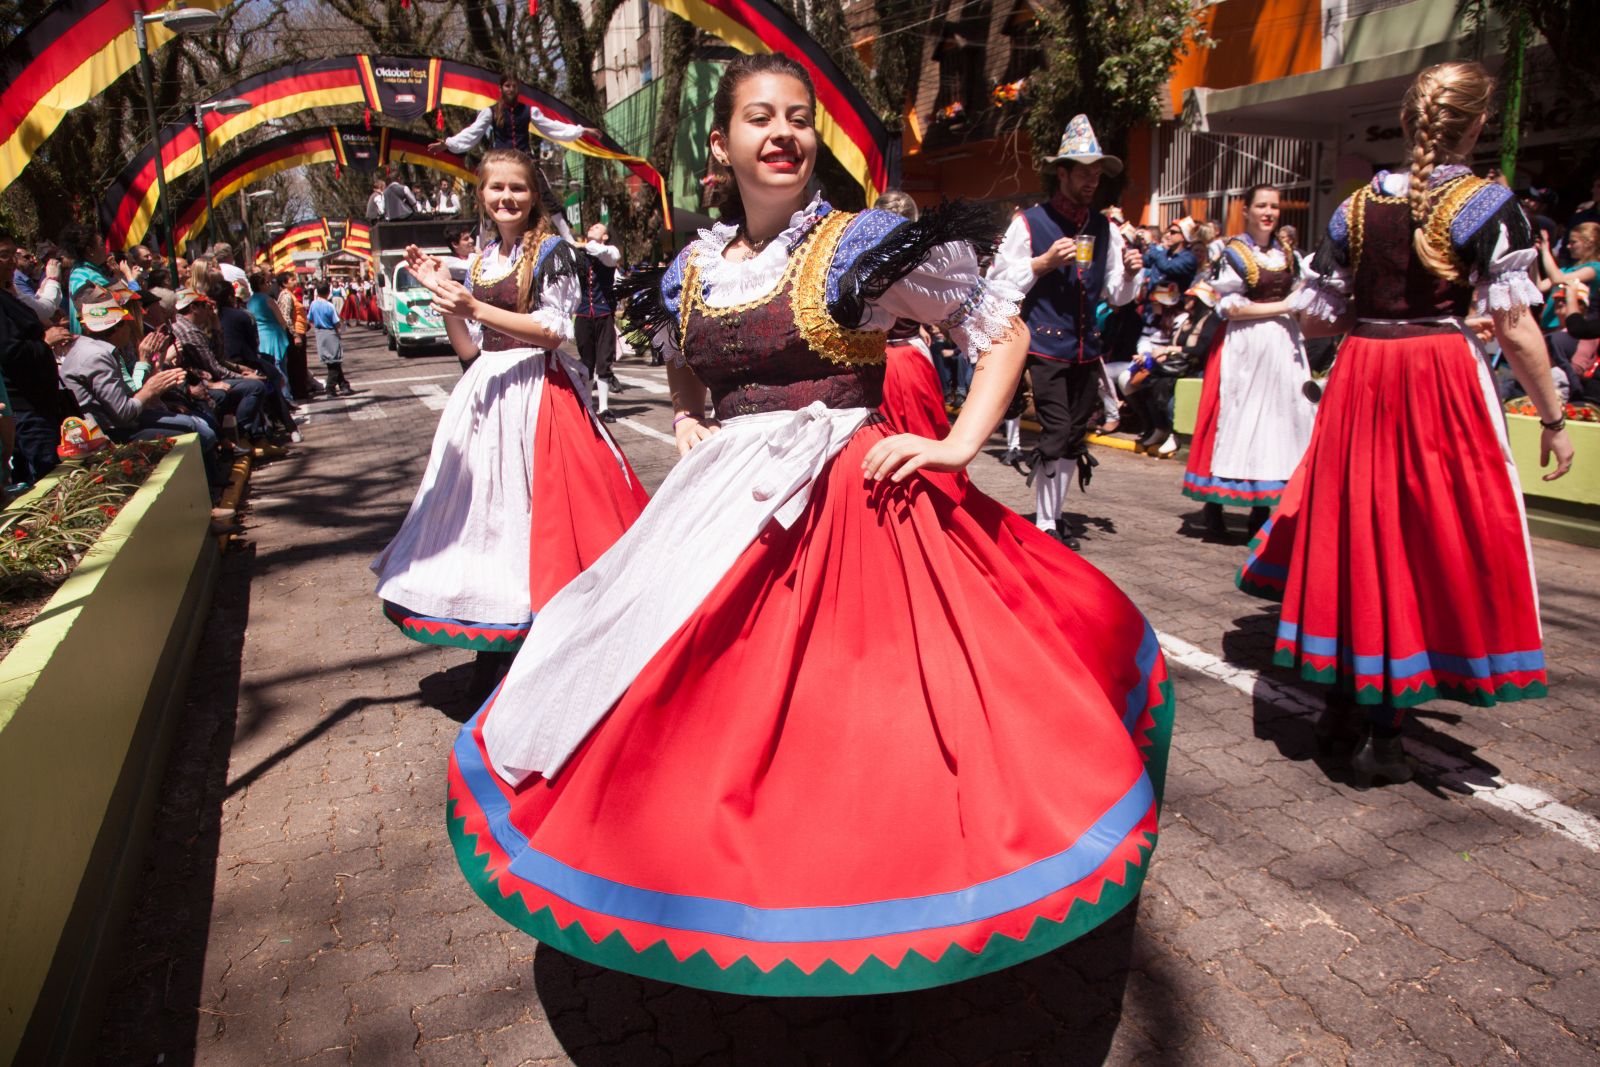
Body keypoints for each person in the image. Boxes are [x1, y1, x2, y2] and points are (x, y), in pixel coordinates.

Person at [444, 53, 1173, 998]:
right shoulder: (695, 268)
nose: (782, 132)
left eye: (797, 117)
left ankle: (873, 933)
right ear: (722, 144)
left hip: (849, 507)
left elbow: (1002, 329)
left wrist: (956, 445)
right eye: (759, 117)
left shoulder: (857, 242)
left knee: (865, 728)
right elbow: (682, 360)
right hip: (724, 511)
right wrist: (687, 417)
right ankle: (717, 896)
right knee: (687, 700)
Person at [1237, 61, 1575, 786]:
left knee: (1361, 532)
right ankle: (1385, 730)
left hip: (1365, 371)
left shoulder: (1354, 207)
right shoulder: (1488, 204)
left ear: (1410, 121)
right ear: (1478, 125)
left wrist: (1381, 314)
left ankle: (1341, 708)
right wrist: (1553, 415)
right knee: (1426, 536)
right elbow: (1518, 329)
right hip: (1438, 379)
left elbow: (1322, 314)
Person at [374, 148, 648, 698]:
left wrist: (473, 307)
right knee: (487, 521)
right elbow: (469, 350)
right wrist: (445, 297)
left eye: (517, 188)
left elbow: (552, 330)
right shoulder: (480, 260)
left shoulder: (551, 252)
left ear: (533, 194)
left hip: (538, 394)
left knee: (535, 518)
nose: (507, 198)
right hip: (487, 395)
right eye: (496, 188)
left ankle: (547, 641)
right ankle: (494, 643)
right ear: (481, 194)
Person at [986, 115, 1144, 549]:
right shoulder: (1030, 223)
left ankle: (1054, 515)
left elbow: (1116, 293)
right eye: (1084, 172)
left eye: (1097, 174)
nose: (1092, 181)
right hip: (1042, 344)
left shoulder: (1104, 228)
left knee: (1075, 434)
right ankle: (1044, 523)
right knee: (1055, 430)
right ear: (1064, 173)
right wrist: (1040, 264)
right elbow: (997, 280)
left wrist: (1131, 274)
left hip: (1084, 348)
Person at [1181, 184, 1316, 541]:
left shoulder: (1287, 252)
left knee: (1278, 421)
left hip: (1281, 345)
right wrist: (1284, 307)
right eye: (1261, 206)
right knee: (1239, 419)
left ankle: (1261, 511)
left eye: (1274, 206)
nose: (1269, 212)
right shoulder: (1233, 253)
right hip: (1246, 346)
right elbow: (1229, 307)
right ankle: (1215, 507)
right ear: (1247, 210)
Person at [872, 190, 953, 439]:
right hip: (911, 358)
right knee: (925, 437)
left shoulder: (863, 258)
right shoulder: (923, 259)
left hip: (876, 360)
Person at [1126, 280, 1221, 455]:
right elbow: (1172, 342)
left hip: (1195, 369)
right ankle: (1158, 428)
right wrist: (1159, 354)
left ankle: (1174, 433)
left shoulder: (1211, 320)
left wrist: (1170, 349)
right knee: (1147, 384)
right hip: (1176, 367)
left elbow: (1200, 350)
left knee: (1171, 399)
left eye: (1190, 297)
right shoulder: (1186, 320)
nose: (1185, 300)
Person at [430, 72, 594, 157]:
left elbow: (552, 127)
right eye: (507, 86)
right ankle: (486, 222)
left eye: (514, 86)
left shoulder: (530, 111)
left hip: (524, 159)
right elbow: (473, 132)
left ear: (518, 88)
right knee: (485, 191)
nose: (511, 89)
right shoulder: (490, 112)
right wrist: (447, 144)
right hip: (500, 160)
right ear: (500, 88)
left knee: (544, 194)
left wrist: (580, 131)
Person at [572, 221, 623, 420]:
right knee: (586, 362)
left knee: (604, 362)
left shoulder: (609, 251)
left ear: (605, 236)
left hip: (603, 314)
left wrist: (583, 245)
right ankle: (587, 404)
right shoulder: (578, 254)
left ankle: (603, 407)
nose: (592, 227)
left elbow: (612, 256)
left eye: (598, 227)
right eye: (591, 226)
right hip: (583, 314)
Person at [1536, 222, 1598, 332]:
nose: (1568, 246)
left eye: (1573, 242)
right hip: (1547, 324)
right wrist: (1534, 256)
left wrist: (1545, 250)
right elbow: (1540, 286)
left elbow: (1558, 279)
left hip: (1567, 327)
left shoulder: (1595, 268)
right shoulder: (1566, 269)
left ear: (1589, 243)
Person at [59, 223, 115, 334]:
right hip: (101, 343)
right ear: (90, 250)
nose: (106, 248)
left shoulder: (82, 271)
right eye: (102, 244)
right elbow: (102, 320)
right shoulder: (85, 277)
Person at [307, 282, 351, 395]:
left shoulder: (313, 304)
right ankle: (330, 388)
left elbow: (310, 318)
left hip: (319, 333)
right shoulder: (329, 306)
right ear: (328, 292)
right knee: (334, 361)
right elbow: (336, 322)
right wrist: (340, 330)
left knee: (331, 361)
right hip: (330, 332)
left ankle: (343, 385)